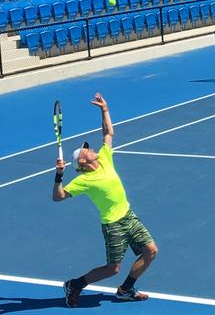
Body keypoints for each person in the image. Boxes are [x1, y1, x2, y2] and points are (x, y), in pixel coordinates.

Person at [53, 93, 158, 308]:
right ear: (82, 161)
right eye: (87, 149)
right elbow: (58, 197)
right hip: (113, 225)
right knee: (113, 269)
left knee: (151, 251)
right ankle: (74, 284)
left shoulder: (104, 158)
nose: (91, 149)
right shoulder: (83, 180)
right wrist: (59, 176)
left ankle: (126, 289)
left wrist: (104, 110)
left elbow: (108, 133)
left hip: (129, 216)